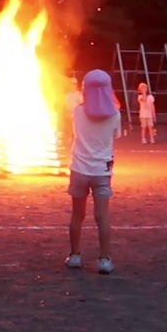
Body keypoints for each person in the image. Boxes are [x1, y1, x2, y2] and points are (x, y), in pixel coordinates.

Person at [66, 70, 121, 275]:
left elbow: (75, 132)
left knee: (77, 215)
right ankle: (104, 260)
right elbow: (115, 136)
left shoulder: (78, 111)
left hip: (79, 168)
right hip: (102, 171)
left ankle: (74, 255)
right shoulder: (115, 114)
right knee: (102, 216)